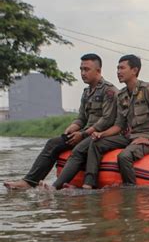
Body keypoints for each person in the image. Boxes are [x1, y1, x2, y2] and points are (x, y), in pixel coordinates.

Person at [3, 53, 118, 190]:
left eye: (86, 69)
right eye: (81, 69)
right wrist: (73, 127)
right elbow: (81, 118)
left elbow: (106, 120)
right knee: (53, 143)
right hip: (84, 132)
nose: (82, 73)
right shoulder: (86, 92)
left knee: (78, 150)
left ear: (98, 70)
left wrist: (83, 135)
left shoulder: (109, 91)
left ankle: (55, 187)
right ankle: (29, 182)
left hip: (99, 135)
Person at [83, 54, 149, 188]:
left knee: (124, 156)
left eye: (122, 68)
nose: (118, 72)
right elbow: (119, 125)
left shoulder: (148, 89)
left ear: (134, 70)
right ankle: (89, 184)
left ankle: (130, 190)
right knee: (96, 143)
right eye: (117, 68)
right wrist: (102, 134)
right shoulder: (121, 94)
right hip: (131, 136)